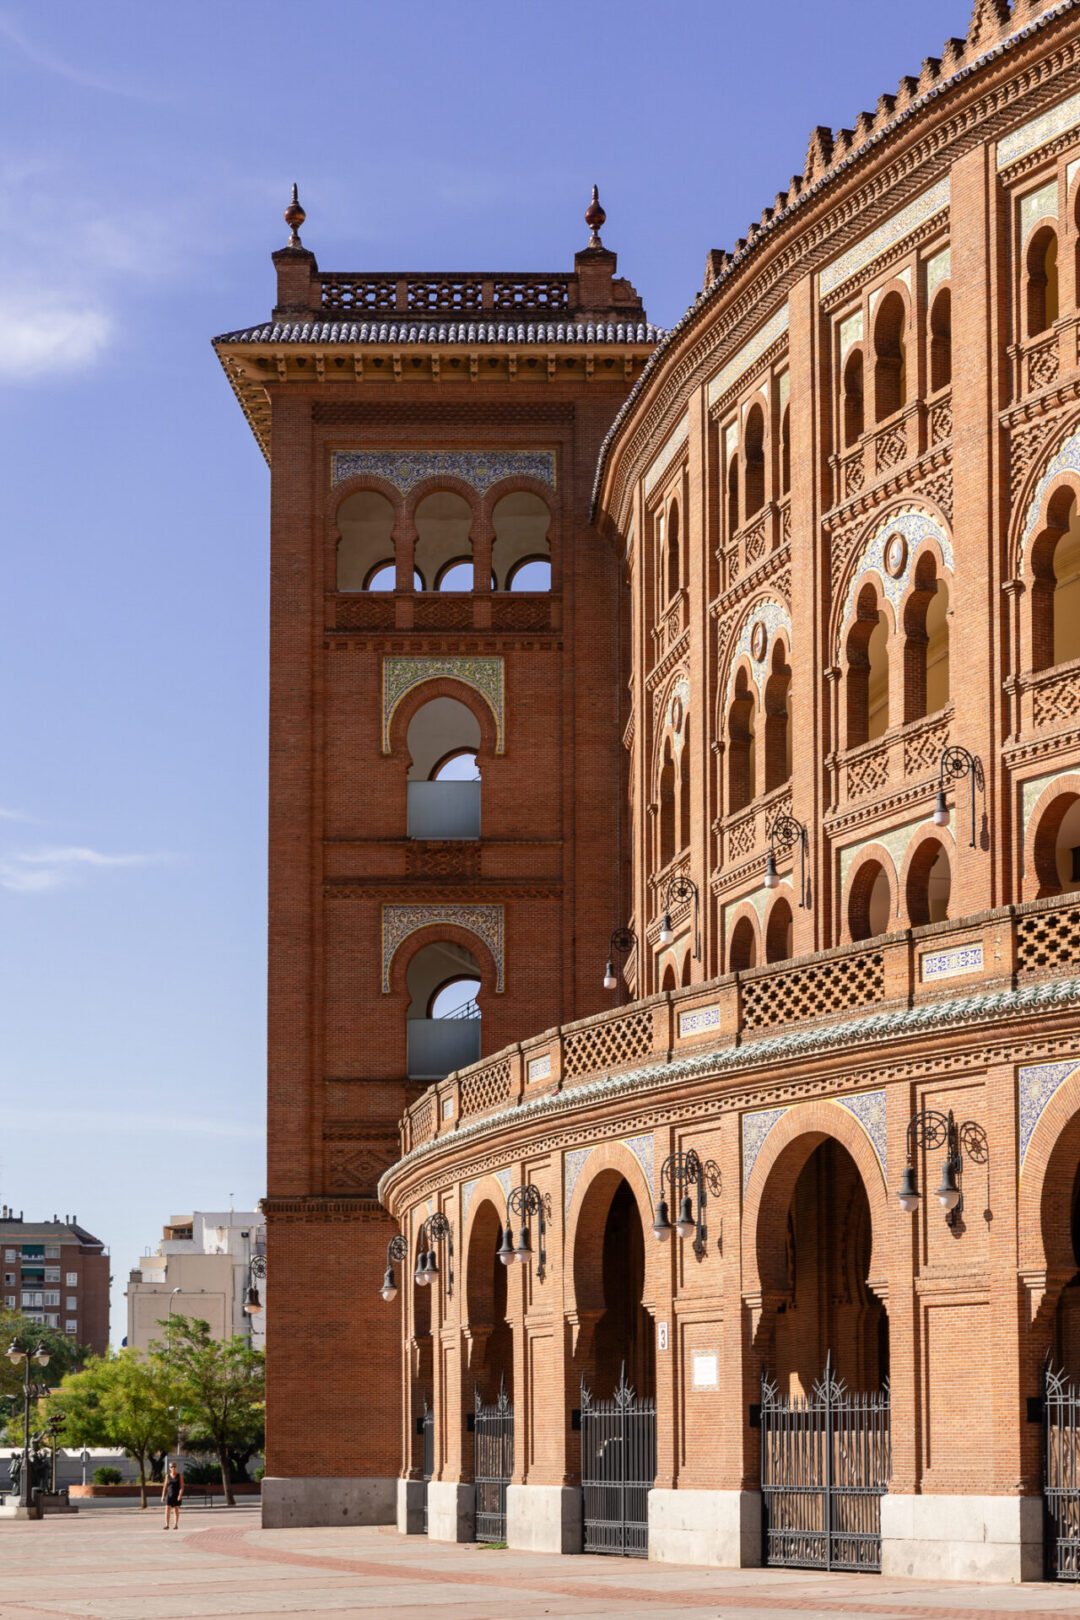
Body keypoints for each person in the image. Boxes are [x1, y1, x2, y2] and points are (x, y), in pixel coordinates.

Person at [161, 1461, 183, 1528]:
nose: (173, 1468)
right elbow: (165, 1486)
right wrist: (163, 1496)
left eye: (174, 1466)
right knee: (167, 1509)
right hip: (169, 1495)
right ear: (169, 1468)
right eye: (171, 1467)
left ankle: (175, 1525)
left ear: (176, 1467)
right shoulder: (167, 1476)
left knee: (176, 1510)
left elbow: (182, 1487)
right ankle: (167, 1525)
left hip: (176, 1495)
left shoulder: (179, 1476)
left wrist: (180, 1495)